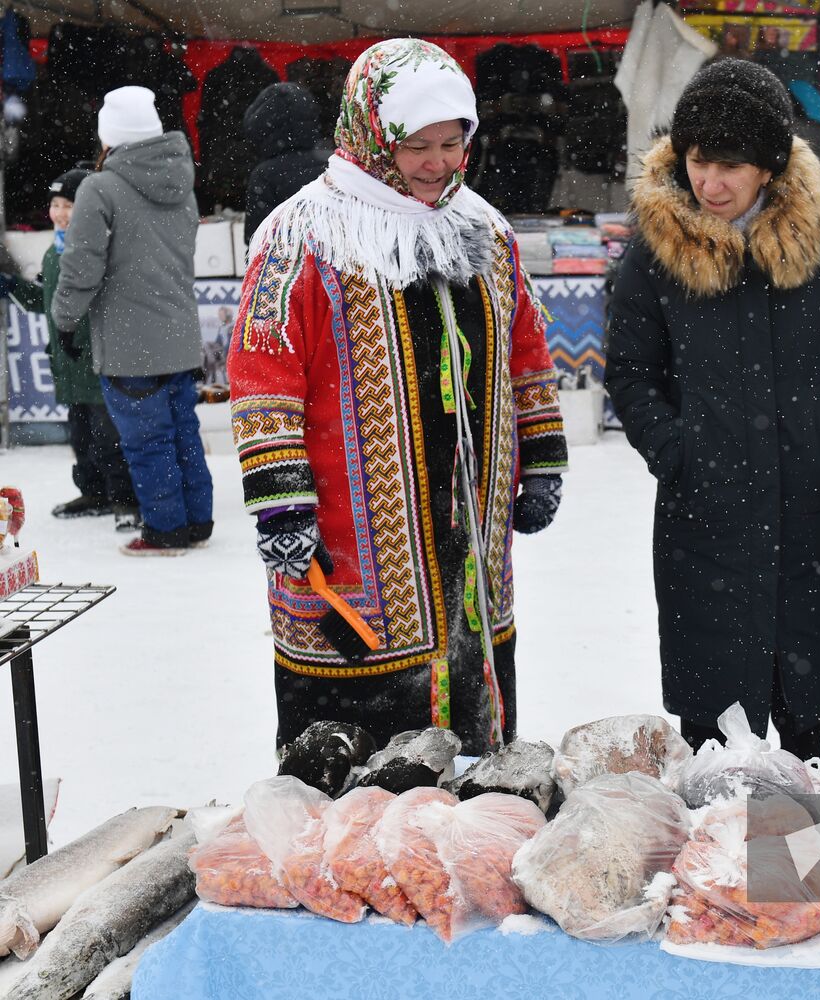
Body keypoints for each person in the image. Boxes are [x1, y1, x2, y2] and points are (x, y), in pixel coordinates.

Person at [228, 39, 568, 753]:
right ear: (370, 133)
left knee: (471, 756)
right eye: (417, 145)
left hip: (470, 535)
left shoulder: (482, 227)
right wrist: (282, 499)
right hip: (351, 545)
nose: (437, 163)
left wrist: (540, 456)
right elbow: (264, 374)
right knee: (356, 770)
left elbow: (525, 349)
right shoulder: (303, 234)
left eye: (453, 143)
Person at [606, 59, 820, 760]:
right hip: (703, 507)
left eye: (730, 165)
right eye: (699, 162)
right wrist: (675, 450)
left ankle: (795, 861)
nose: (710, 183)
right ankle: (715, 858)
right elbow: (632, 371)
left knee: (805, 714)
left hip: (808, 503)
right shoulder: (655, 252)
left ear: (767, 166)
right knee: (710, 721)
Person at [50, 85, 214, 556]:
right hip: (179, 334)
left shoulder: (101, 187)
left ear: (110, 134)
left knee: (147, 441)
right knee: (183, 430)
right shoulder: (181, 181)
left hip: (127, 340)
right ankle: (197, 521)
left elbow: (80, 266)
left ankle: (165, 530)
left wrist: (65, 319)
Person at [3, 168, 139, 531]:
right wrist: (13, 286)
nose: (60, 213)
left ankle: (124, 500)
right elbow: (49, 302)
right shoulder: (55, 251)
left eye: (69, 205)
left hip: (96, 360)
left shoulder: (96, 248)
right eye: (55, 204)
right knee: (80, 436)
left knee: (109, 436)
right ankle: (93, 492)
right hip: (67, 364)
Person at [242, 81, 331, 245]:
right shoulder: (334, 162)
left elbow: (256, 240)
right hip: (338, 264)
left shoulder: (265, 175)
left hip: (289, 265)